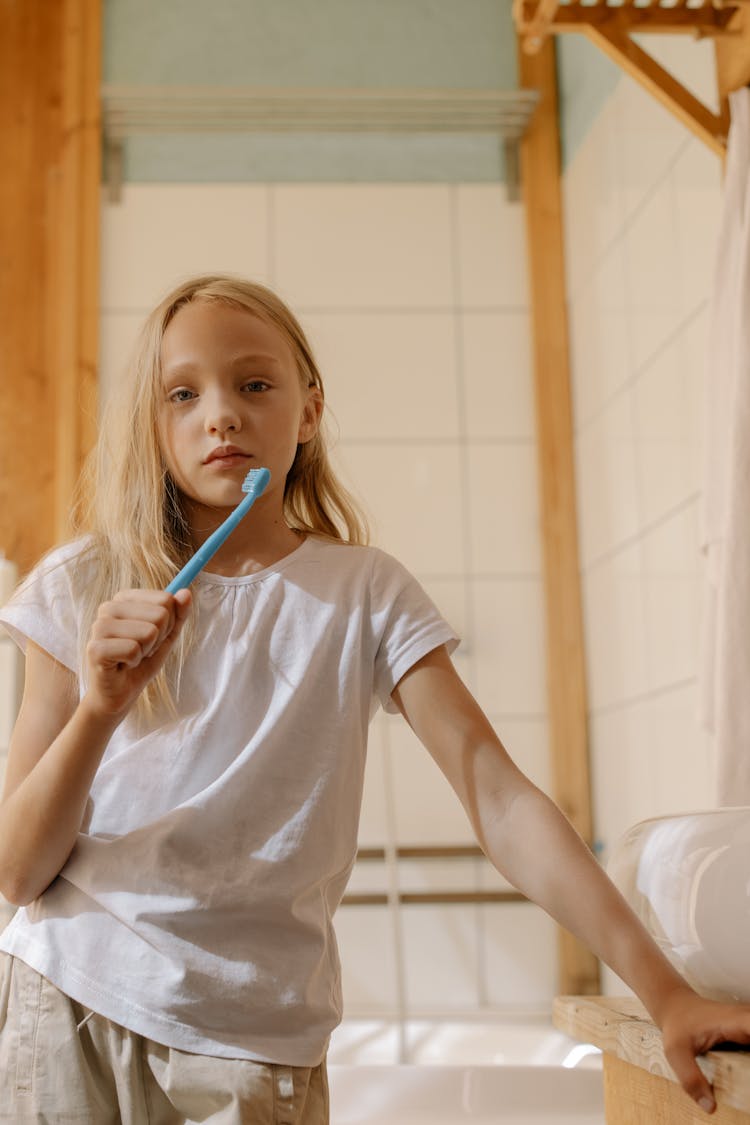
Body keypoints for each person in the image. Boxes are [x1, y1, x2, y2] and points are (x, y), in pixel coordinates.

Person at [0, 275, 747, 1124]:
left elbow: (499, 800)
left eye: (255, 384)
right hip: (70, 1001)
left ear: (308, 410)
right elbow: (18, 871)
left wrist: (665, 992)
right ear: (154, 422)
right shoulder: (83, 583)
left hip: (256, 1036)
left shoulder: (365, 593)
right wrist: (100, 706)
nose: (222, 415)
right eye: (183, 392)